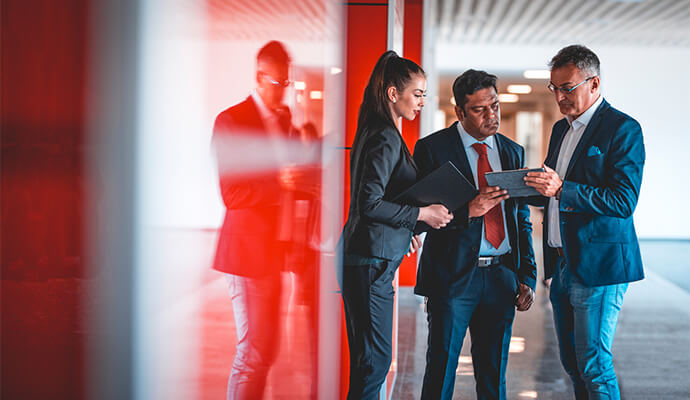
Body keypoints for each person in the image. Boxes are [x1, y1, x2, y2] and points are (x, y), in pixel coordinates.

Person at [524, 44, 645, 400]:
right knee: (572, 364)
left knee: (593, 363)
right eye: (555, 88)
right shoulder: (562, 130)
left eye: (567, 87)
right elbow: (553, 194)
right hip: (563, 264)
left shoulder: (622, 129)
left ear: (593, 84)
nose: (560, 96)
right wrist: (517, 188)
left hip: (600, 266)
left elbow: (623, 201)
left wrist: (562, 188)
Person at [414, 69, 537, 400]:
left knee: (494, 377)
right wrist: (469, 211)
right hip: (452, 277)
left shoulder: (512, 151)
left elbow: (520, 217)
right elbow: (419, 219)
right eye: (480, 109)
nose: (491, 115)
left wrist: (527, 274)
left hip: (501, 277)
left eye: (494, 105)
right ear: (459, 112)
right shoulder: (432, 150)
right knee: (441, 370)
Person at [339, 50, 453, 400]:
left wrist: (407, 229)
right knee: (374, 363)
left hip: (369, 259)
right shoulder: (385, 136)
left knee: (369, 361)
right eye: (417, 93)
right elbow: (368, 204)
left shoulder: (377, 131)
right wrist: (421, 215)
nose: (422, 101)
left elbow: (378, 200)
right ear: (393, 93)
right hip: (370, 262)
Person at [212, 40, 318, 399]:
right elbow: (232, 194)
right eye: (277, 84)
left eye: (287, 84)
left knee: (267, 350)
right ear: (259, 77)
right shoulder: (231, 121)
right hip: (245, 254)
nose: (283, 93)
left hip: (276, 251)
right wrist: (280, 183)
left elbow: (291, 180)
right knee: (254, 351)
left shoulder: (286, 120)